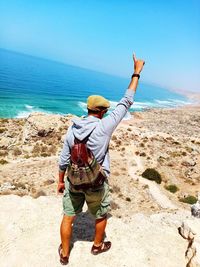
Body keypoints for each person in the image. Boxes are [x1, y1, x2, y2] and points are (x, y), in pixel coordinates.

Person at [57, 54, 145, 265]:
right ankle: (97, 246)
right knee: (100, 215)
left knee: (68, 216)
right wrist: (136, 72)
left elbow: (63, 159)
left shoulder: (73, 128)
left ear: (87, 109)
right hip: (97, 183)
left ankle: (65, 253)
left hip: (74, 182)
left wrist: (61, 181)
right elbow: (126, 101)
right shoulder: (105, 127)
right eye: (106, 110)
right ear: (103, 112)